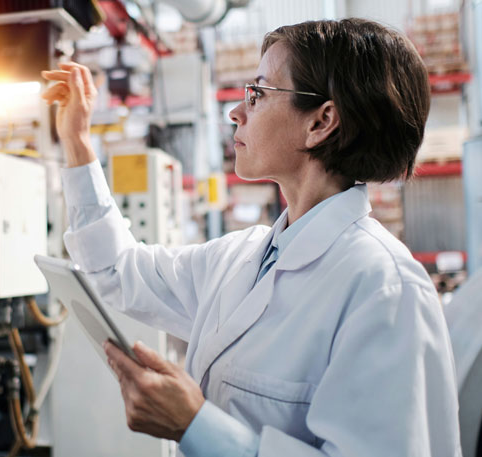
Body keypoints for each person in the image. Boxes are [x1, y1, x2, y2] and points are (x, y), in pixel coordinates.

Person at [41, 18, 461, 457]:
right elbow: (116, 271)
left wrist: (194, 425)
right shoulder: (240, 257)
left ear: (321, 122)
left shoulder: (384, 288)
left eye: (258, 94)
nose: (236, 111)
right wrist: (78, 144)